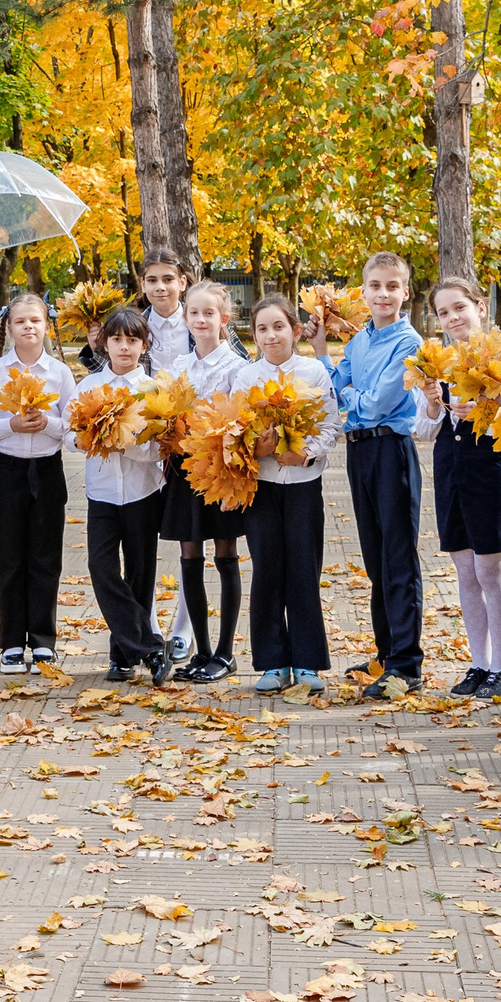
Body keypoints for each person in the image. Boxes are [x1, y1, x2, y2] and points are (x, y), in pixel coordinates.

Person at [313, 252, 426, 699]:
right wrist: (322, 353)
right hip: (359, 454)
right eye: (375, 285)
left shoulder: (409, 343)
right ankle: (386, 652)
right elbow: (335, 384)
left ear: (404, 292)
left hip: (391, 451)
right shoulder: (359, 341)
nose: (383, 294)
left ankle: (407, 665)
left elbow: (374, 404)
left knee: (398, 557)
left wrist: (347, 396)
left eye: (392, 286)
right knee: (376, 557)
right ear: (364, 290)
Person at [415, 277, 501, 700]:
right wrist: (432, 402)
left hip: (486, 467)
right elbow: (422, 430)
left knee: (489, 569)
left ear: (479, 305)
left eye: (459, 307)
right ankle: (478, 662)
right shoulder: (437, 362)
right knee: (464, 569)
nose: (453, 318)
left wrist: (488, 409)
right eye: (443, 312)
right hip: (449, 467)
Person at [241, 294, 343, 693]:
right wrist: (257, 450)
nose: (271, 335)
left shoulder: (314, 372)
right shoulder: (246, 379)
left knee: (303, 569)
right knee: (266, 570)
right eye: (262, 329)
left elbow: (331, 426)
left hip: (302, 487)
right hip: (261, 490)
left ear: (295, 331)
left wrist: (306, 455)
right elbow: (232, 436)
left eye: (279, 326)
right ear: (254, 336)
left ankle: (307, 662)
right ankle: (271, 662)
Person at [0, 293, 75, 674]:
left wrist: (46, 422)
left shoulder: (60, 373)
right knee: (10, 558)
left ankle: (44, 641)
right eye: (20, 322)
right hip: (7, 471)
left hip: (48, 471)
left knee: (45, 557)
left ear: (46, 325)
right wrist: (11, 425)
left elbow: (72, 428)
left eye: (35, 320)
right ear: (9, 328)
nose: (28, 327)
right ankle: (12, 642)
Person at [79, 307, 170, 684]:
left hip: (142, 492)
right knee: (101, 569)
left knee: (140, 574)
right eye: (116, 339)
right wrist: (96, 438)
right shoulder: (87, 387)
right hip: (101, 493)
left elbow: (160, 448)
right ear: (105, 344)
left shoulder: (154, 391)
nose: (124, 347)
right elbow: (71, 438)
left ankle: (122, 656)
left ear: (144, 344)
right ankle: (149, 646)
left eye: (132, 340)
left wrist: (124, 443)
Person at [165, 280, 249, 683]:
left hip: (222, 471)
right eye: (194, 313)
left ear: (224, 320)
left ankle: (226, 652)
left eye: (208, 313)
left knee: (225, 552)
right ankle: (199, 649)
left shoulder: (237, 368)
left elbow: (240, 424)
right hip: (185, 474)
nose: (200, 319)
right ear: (185, 318)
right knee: (189, 554)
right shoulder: (178, 369)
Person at [137, 253, 198, 661]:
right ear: (143, 285)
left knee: (188, 538)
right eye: (152, 280)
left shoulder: (199, 320)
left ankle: (183, 627)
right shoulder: (133, 324)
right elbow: (107, 367)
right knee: (142, 536)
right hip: (143, 441)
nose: (160, 287)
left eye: (168, 280)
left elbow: (236, 366)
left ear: (182, 281)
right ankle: (148, 625)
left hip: (190, 445)